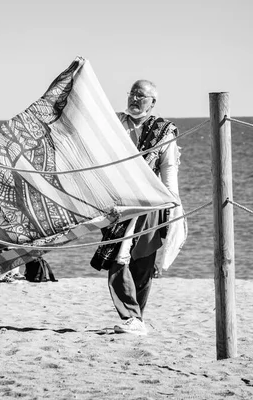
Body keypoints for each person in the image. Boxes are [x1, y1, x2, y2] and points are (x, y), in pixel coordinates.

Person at [90, 79, 182, 335]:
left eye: (141, 95)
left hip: (151, 206)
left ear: (153, 102)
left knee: (143, 263)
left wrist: (174, 208)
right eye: (132, 93)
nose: (134, 99)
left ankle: (136, 318)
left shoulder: (164, 131)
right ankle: (131, 315)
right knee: (117, 259)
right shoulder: (114, 123)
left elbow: (169, 171)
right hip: (118, 205)